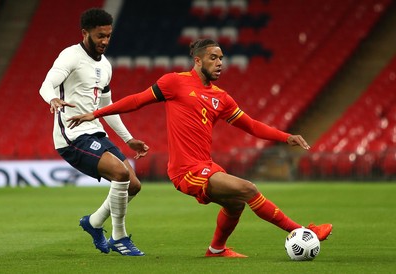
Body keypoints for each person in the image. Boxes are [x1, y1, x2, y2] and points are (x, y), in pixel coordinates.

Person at [67, 38, 332, 257]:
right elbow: (137, 100)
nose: (220, 63)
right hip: (185, 170)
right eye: (214, 58)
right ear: (198, 60)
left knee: (235, 206)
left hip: (205, 165)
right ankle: (302, 231)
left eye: (222, 58)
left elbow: (250, 125)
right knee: (248, 188)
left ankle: (216, 250)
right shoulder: (174, 82)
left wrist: (286, 137)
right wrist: (96, 113)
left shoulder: (221, 98)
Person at [39, 8, 149, 256]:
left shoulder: (106, 66)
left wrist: (128, 139)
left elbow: (107, 108)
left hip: (96, 132)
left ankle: (94, 222)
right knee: (121, 173)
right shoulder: (70, 56)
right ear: (85, 33)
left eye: (108, 36)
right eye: (100, 36)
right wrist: (53, 99)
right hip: (72, 135)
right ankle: (118, 237)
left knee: (133, 185)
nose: (105, 41)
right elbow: (47, 83)